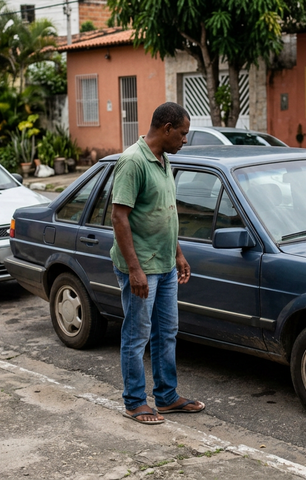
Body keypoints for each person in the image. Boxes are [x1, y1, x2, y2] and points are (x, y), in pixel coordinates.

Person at [110, 102, 205, 425]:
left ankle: (166, 397)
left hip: (164, 264)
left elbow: (164, 213)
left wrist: (177, 254)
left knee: (166, 332)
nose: (184, 140)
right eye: (182, 134)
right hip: (142, 268)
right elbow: (119, 217)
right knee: (137, 335)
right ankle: (135, 401)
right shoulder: (133, 161)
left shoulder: (162, 161)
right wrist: (135, 269)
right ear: (166, 130)